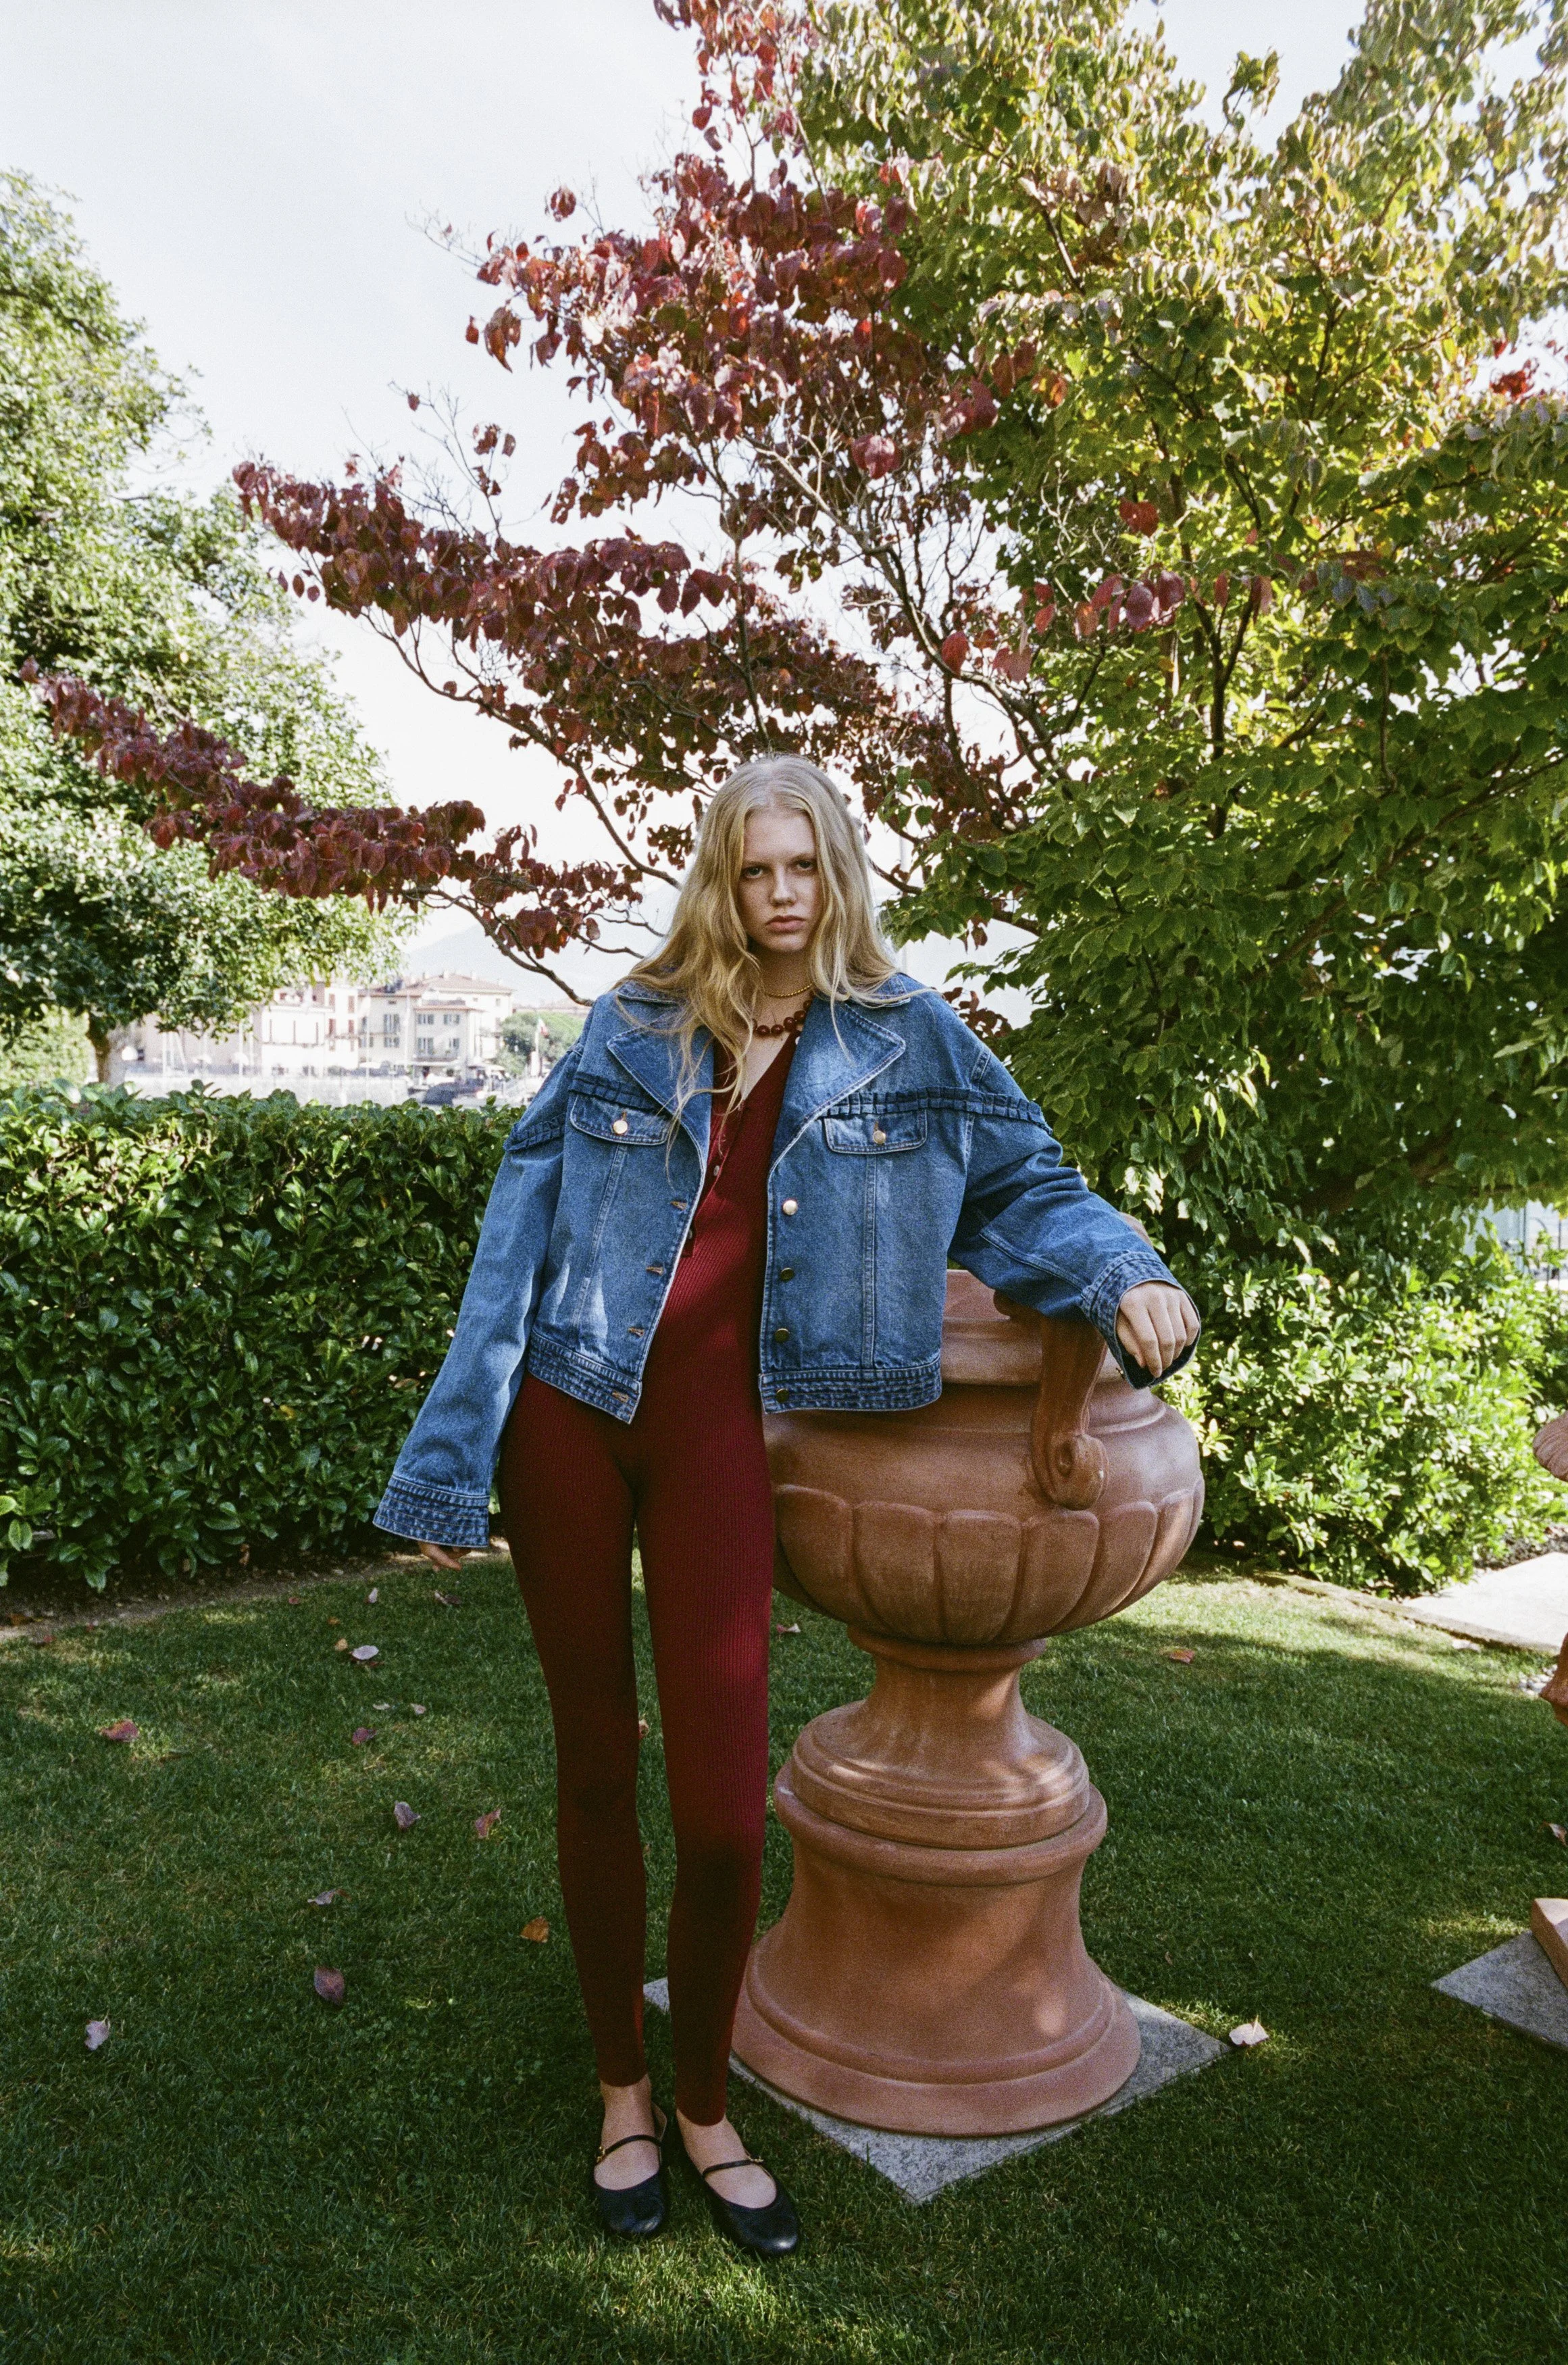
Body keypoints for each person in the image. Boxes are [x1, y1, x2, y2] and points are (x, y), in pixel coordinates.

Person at [374, 755, 1200, 2256]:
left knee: (717, 1811)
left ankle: (705, 2105)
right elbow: (519, 1227)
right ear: (718, 874)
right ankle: (624, 2090)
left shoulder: (906, 1038)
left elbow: (1030, 1183)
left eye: (799, 869)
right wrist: (455, 1446)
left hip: (712, 1443)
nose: (774, 897)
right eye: (750, 870)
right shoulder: (630, 1024)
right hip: (567, 1412)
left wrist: (1120, 1272)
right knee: (591, 1765)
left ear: (836, 874)